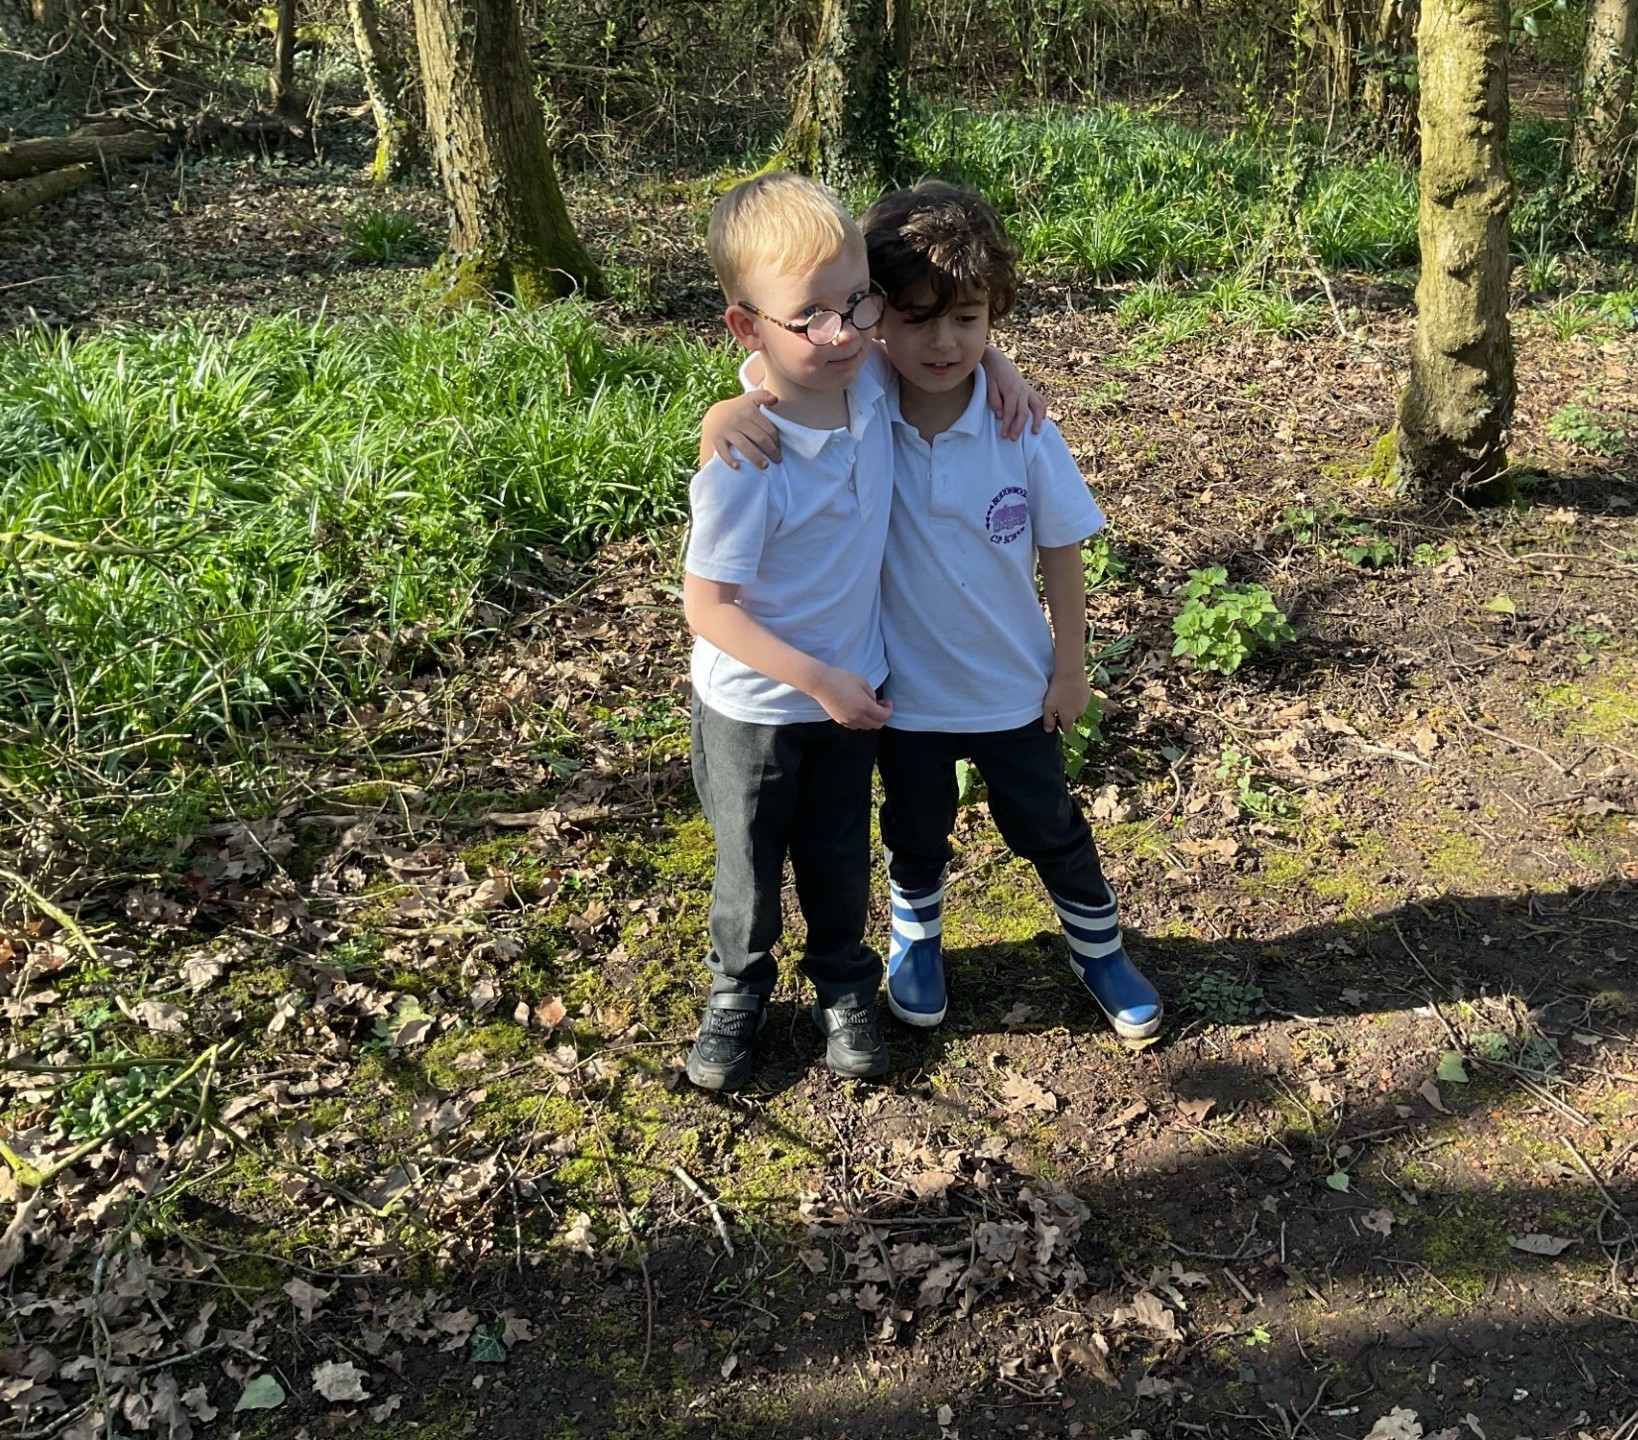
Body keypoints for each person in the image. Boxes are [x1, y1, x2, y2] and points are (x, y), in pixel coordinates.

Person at [704, 180, 1162, 1042]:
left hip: (1013, 691)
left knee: (1049, 826)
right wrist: (721, 411)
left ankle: (1098, 948)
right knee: (914, 833)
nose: (943, 343)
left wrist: (1071, 667)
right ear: (878, 315)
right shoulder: (864, 399)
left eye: (968, 321)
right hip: (904, 700)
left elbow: (1062, 550)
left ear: (994, 318)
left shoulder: (1020, 426)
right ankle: (916, 940)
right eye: (914, 319)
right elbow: (777, 373)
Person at [684, 173, 1047, 1092]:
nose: (842, 331)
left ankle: (843, 984)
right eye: (809, 316)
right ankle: (737, 991)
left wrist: (1001, 367)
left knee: (841, 853)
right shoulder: (746, 456)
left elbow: (947, 348)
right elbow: (707, 608)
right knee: (750, 866)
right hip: (755, 708)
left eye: (857, 303)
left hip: (854, 696)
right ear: (748, 329)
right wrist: (817, 680)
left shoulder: (871, 387)